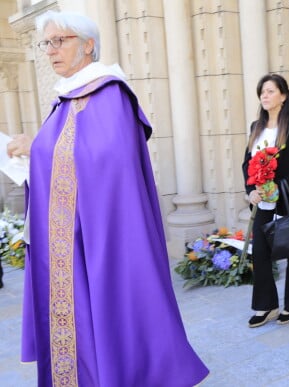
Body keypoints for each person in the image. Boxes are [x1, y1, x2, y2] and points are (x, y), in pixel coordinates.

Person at [6, 11, 209, 385]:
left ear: (88, 45)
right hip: (70, 239)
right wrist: (32, 148)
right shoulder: (66, 99)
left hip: (100, 237)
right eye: (46, 43)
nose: (51, 51)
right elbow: (66, 152)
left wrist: (35, 147)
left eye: (60, 40)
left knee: (105, 324)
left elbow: (103, 159)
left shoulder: (107, 94)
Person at [242, 73, 289, 327]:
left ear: (283, 96)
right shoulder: (256, 128)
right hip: (261, 202)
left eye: (270, 91)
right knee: (260, 253)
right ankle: (266, 305)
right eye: (262, 91)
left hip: (287, 199)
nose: (265, 95)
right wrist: (250, 189)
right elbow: (247, 164)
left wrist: (277, 186)